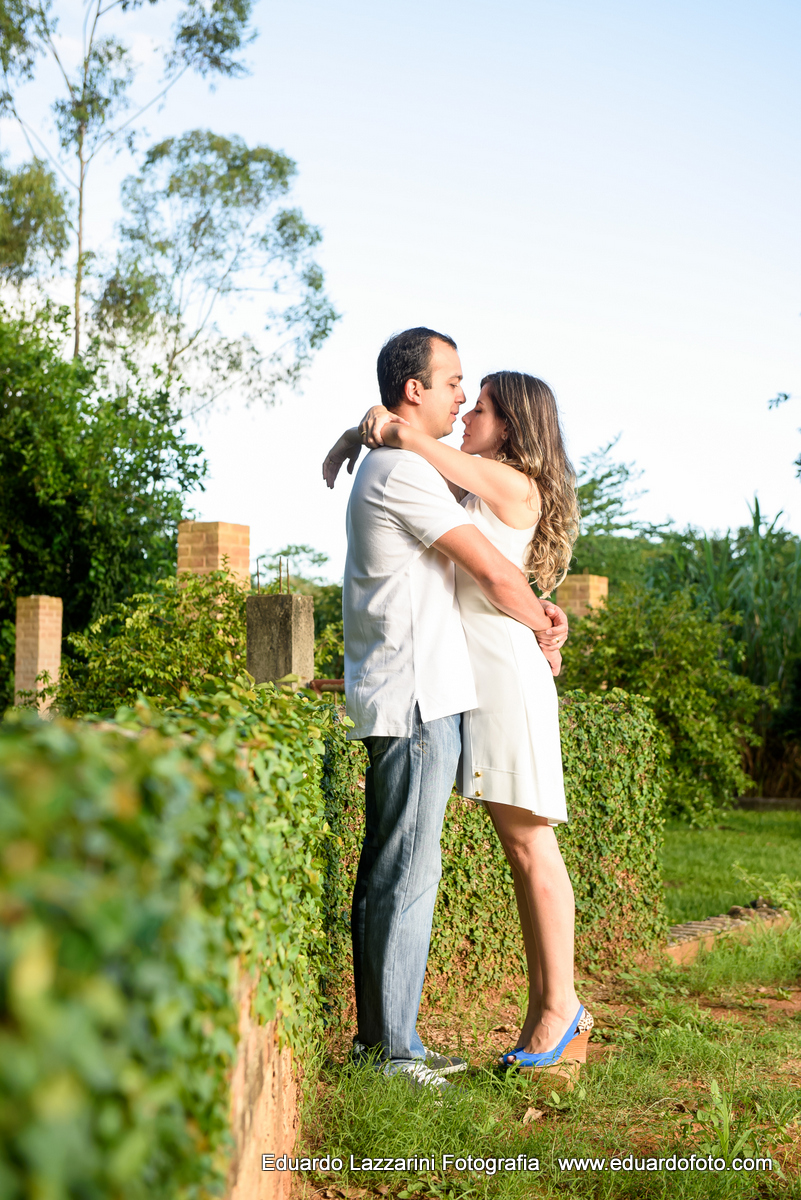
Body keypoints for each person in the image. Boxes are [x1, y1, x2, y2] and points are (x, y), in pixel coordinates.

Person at [325, 358, 592, 1075]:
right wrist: (359, 437)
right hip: (482, 673)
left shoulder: (508, 479)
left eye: (480, 409)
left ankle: (559, 1011)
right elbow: (411, 462)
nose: (466, 415)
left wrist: (380, 427)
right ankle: (552, 1009)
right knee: (519, 844)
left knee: (531, 842)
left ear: (510, 428)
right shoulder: (466, 476)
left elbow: (415, 445)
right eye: (462, 401)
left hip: (504, 674)